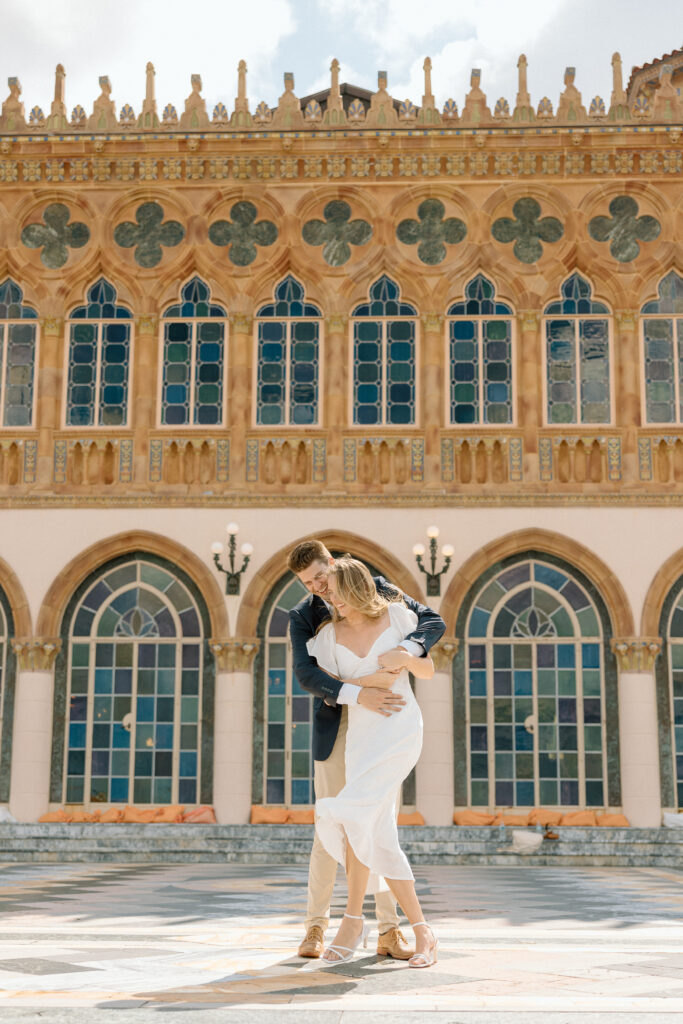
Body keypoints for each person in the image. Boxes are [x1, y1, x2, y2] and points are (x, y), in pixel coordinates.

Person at [287, 539, 445, 961]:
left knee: (372, 820)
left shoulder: (382, 595)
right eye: (310, 583)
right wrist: (362, 693)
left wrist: (406, 654)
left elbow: (431, 623)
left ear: (335, 567)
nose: (321, 589)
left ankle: (385, 930)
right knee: (348, 824)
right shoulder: (307, 619)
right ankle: (318, 926)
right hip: (345, 728)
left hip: (393, 729)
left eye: (323, 577)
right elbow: (307, 675)